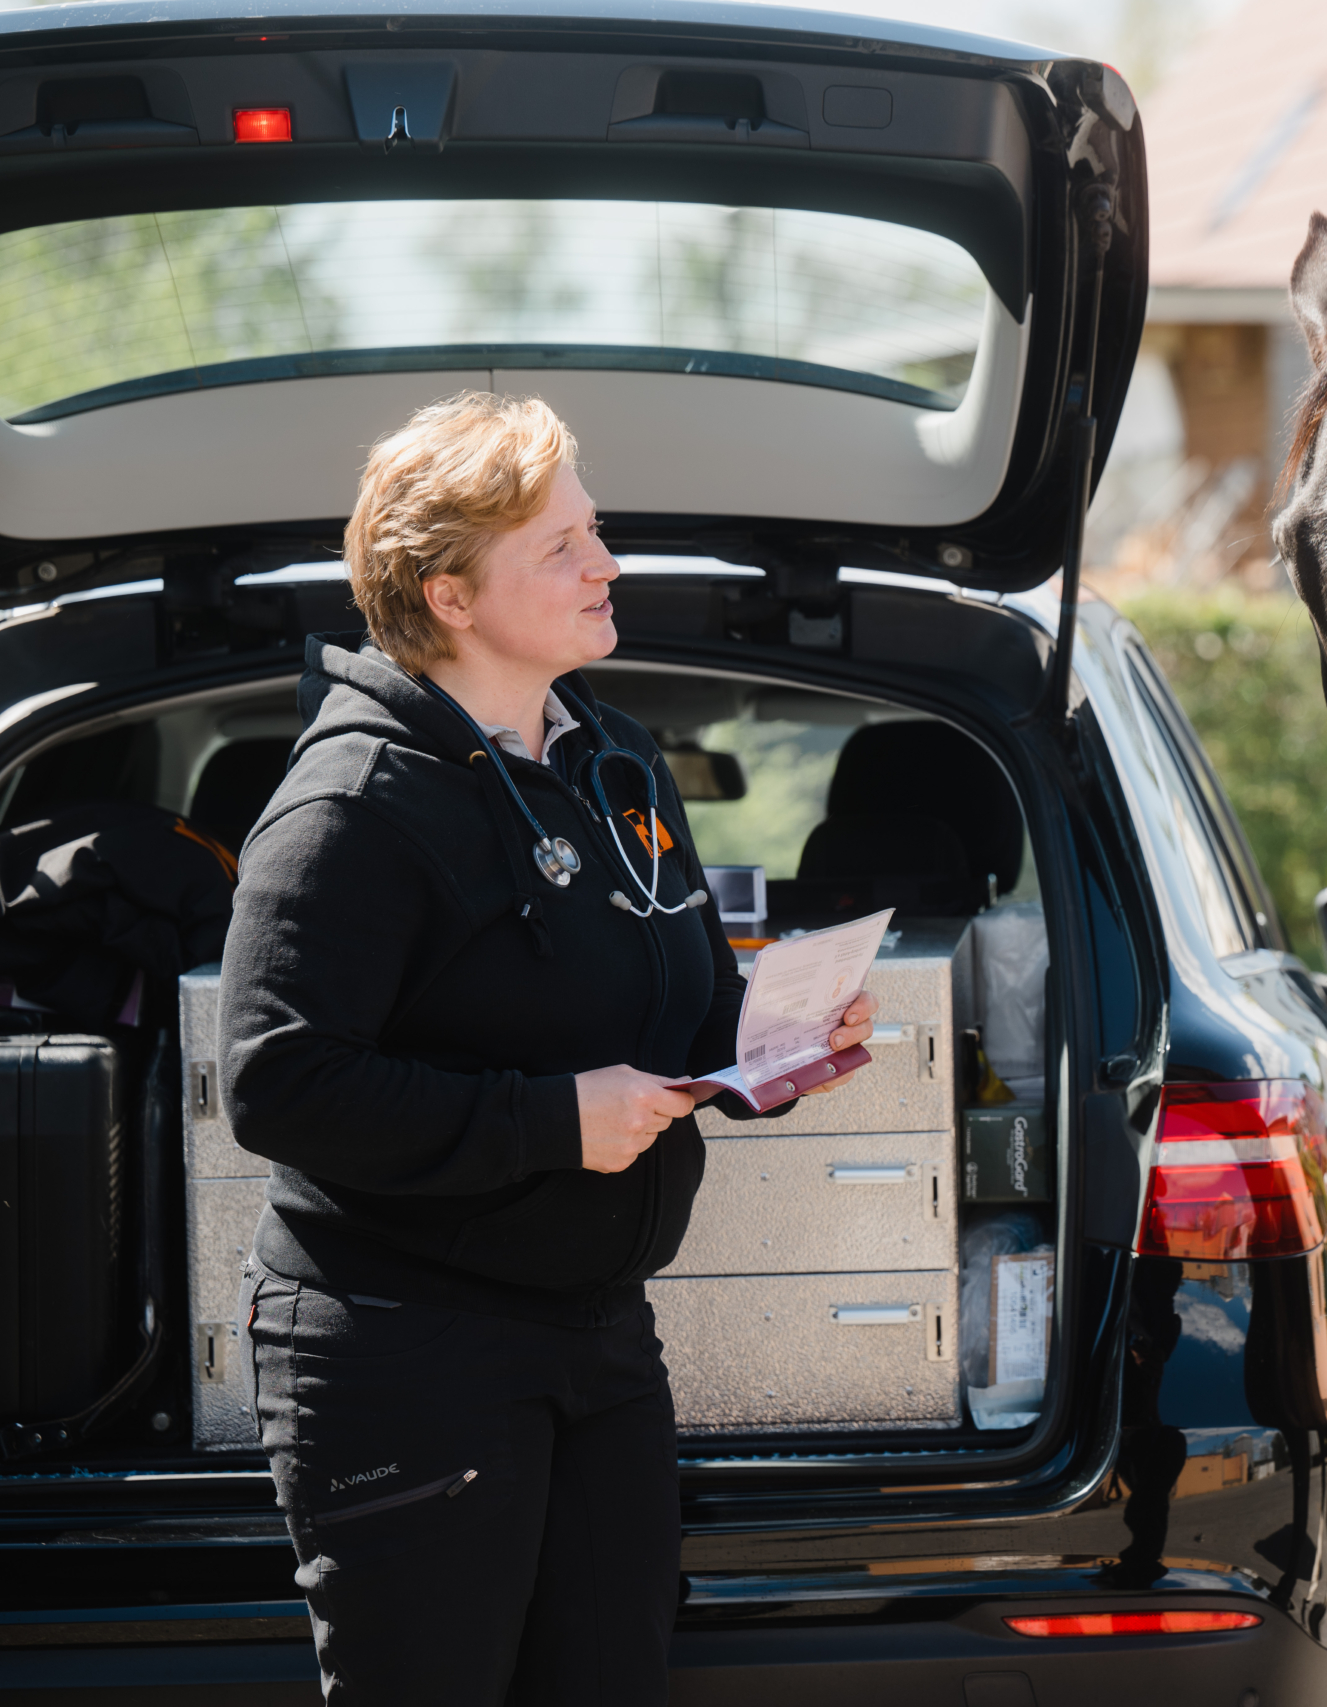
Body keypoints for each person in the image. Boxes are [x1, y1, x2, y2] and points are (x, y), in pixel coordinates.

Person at [220, 393, 877, 1705]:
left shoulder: (617, 759)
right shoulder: (353, 802)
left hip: (597, 1338)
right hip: (406, 1353)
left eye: (596, 531)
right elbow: (276, 1080)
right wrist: (551, 1123)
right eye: (563, 546)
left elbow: (652, 1011)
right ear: (451, 595)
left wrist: (762, 1045)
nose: (609, 564)